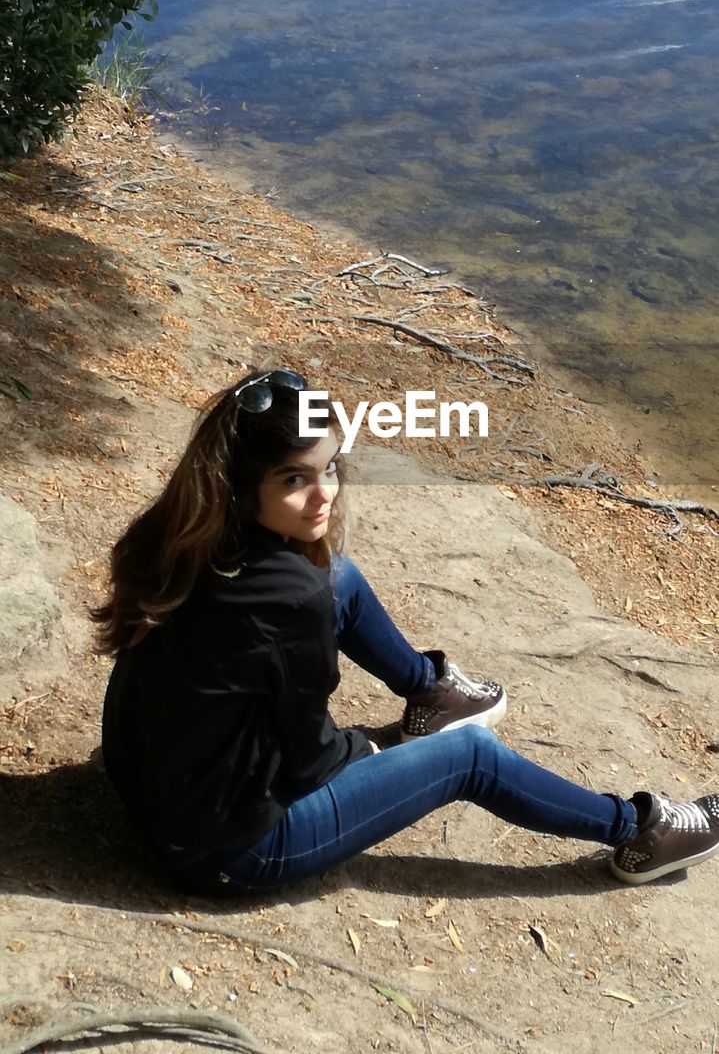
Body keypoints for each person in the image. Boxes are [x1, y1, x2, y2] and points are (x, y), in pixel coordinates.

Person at [94, 368, 719, 896]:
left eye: (330, 468)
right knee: (471, 757)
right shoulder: (288, 595)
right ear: (240, 483)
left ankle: (429, 691)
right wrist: (361, 751)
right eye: (294, 479)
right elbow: (312, 760)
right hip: (227, 850)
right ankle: (640, 831)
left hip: (158, 789)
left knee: (340, 574)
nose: (324, 496)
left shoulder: (180, 533)